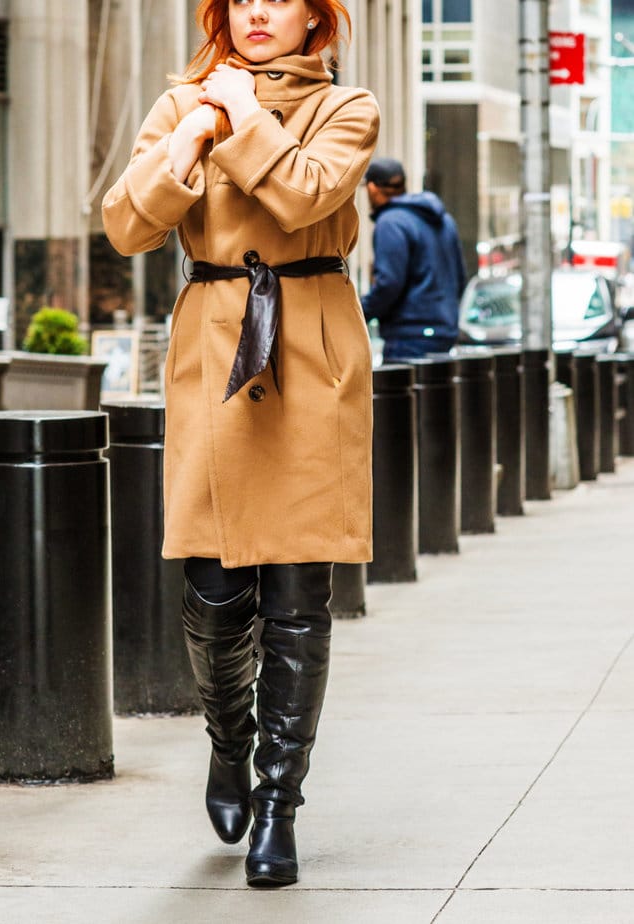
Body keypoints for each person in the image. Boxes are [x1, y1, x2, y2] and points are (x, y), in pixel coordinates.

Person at [102, 0, 379, 887]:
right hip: (218, 344)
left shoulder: (348, 108)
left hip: (311, 350)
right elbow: (124, 226)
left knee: (300, 593)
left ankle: (277, 805)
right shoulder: (181, 102)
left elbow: (302, 194)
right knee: (215, 588)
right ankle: (230, 739)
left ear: (314, 19)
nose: (258, 11)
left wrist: (247, 117)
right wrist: (186, 146)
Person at [361, 157, 467, 361]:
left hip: (408, 337)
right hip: (445, 333)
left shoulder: (390, 223)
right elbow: (459, 277)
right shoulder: (445, 220)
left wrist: (359, 313)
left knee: (402, 392)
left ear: (373, 188)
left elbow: (389, 284)